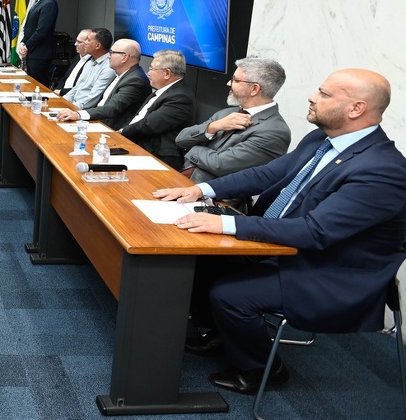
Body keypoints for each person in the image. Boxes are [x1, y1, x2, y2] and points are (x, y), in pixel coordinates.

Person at [153, 69, 406, 395]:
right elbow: (266, 174)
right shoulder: (321, 139)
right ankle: (223, 335)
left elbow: (316, 232)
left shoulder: (382, 170)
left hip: (333, 270)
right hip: (286, 245)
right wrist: (202, 190)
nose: (313, 97)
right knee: (203, 262)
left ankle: (264, 370)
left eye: (325, 94)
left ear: (356, 109)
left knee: (229, 295)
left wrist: (229, 223)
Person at [176, 58, 291, 182]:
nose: (228, 84)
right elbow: (181, 140)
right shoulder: (228, 113)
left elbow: (219, 164)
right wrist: (213, 127)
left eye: (235, 80)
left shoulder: (274, 131)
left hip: (215, 197)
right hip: (182, 179)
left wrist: (192, 147)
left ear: (254, 89)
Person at [118, 49, 195, 170]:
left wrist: (119, 134)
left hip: (157, 156)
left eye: (152, 69)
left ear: (167, 74)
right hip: (139, 144)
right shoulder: (164, 90)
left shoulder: (181, 97)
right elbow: (138, 118)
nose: (148, 73)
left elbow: (149, 125)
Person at [55, 39, 150, 130]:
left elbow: (112, 108)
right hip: (97, 121)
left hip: (111, 130)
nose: (108, 56)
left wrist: (78, 114)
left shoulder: (135, 80)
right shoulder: (121, 74)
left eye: (112, 52)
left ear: (124, 57)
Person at [16, 0, 58, 84]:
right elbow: (29, 27)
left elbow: (42, 31)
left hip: (40, 55)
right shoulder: (39, 1)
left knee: (37, 88)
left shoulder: (49, 3)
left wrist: (26, 46)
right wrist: (23, 43)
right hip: (33, 53)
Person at [61, 28, 115, 108]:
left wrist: (72, 108)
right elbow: (76, 89)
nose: (85, 43)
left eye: (88, 40)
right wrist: (62, 102)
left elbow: (92, 98)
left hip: (83, 111)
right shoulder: (89, 63)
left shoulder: (108, 68)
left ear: (98, 46)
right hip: (73, 106)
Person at [56, 29, 91, 93]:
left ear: (88, 44)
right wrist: (56, 90)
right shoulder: (77, 58)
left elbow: (80, 88)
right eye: (76, 41)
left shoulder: (91, 62)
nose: (75, 44)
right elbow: (65, 78)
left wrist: (60, 92)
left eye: (79, 42)